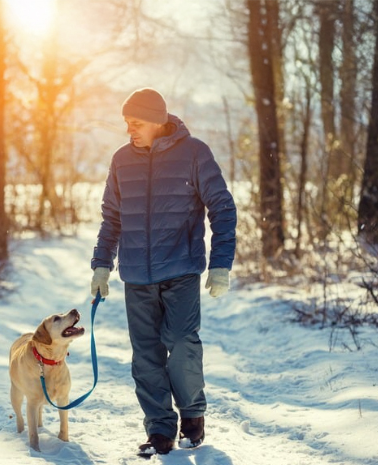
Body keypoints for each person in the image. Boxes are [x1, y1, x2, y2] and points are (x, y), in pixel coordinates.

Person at [90, 87, 237, 456]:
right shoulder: (122, 160)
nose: (129, 131)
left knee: (183, 344)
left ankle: (192, 415)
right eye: (126, 124)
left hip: (181, 271)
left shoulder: (195, 153)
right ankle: (159, 429)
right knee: (146, 356)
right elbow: (112, 218)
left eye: (135, 123)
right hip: (137, 276)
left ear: (157, 121)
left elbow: (222, 207)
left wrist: (221, 264)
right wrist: (102, 265)